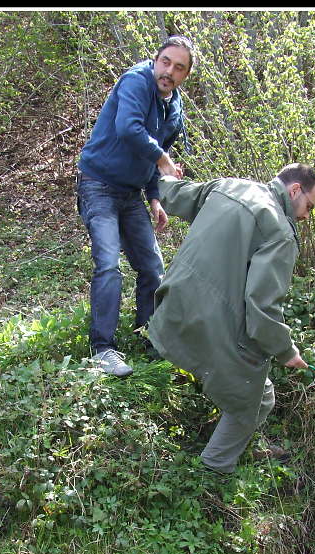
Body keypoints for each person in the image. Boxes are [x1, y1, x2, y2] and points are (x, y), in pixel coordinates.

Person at [147, 164, 315, 473]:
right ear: (295, 191)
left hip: (169, 307)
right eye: (309, 206)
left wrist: (160, 171)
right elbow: (262, 310)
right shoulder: (280, 232)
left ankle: (242, 442)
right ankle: (214, 468)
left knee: (256, 390)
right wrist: (286, 351)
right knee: (255, 396)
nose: (307, 216)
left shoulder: (230, 186)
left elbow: (172, 192)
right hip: (208, 325)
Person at [76, 35, 194, 377]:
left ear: (186, 75)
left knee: (152, 266)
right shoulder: (135, 81)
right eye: (166, 62)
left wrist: (155, 197)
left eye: (179, 68)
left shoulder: (174, 106)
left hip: (130, 193)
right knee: (108, 264)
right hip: (98, 185)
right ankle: (102, 349)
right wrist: (162, 159)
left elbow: (153, 156)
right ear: (155, 60)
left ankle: (150, 337)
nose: (169, 71)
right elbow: (128, 129)